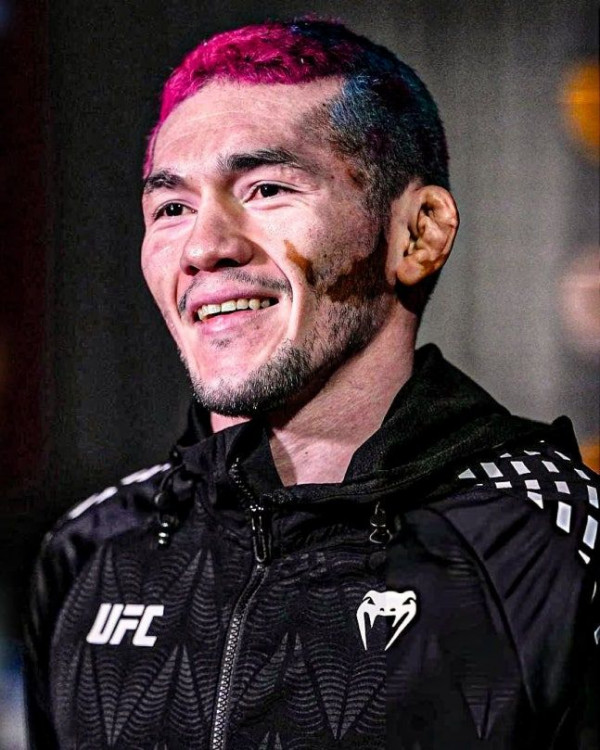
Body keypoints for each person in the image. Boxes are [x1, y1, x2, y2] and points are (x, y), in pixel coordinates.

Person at [25, 18, 599, 750]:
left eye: (266, 189)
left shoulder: (551, 541)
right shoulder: (91, 550)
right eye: (171, 208)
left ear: (418, 233)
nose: (203, 247)